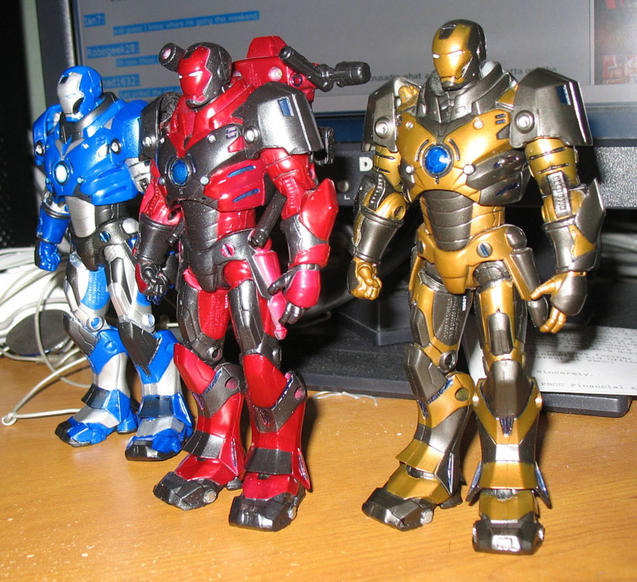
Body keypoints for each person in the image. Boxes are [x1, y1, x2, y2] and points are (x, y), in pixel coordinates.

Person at [349, 20, 604, 554]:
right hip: (431, 256)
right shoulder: (404, 109)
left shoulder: (523, 100)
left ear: (476, 55)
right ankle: (433, 461)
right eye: (439, 61)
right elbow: (383, 189)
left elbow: (564, 190)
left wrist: (573, 271)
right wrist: (364, 255)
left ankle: (508, 474)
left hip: (494, 255)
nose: (446, 71)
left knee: (504, 368)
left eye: (456, 60)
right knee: (424, 363)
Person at [136, 37, 342, 530]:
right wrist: (148, 256)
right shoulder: (171, 119)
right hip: (194, 258)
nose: (192, 87)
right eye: (185, 79)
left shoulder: (259, 107)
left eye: (198, 77)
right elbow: (162, 197)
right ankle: (216, 447)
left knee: (258, 359)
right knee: (194, 356)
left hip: (242, 255)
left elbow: (302, 193)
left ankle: (275, 458)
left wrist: (306, 269)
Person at [33, 66, 192, 460]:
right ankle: (111, 400)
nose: (70, 104)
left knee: (135, 324)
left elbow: (157, 191)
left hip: (120, 237)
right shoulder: (53, 131)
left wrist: (164, 243)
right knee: (83, 323)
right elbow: (55, 197)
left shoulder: (123, 121)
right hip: (81, 244)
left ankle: (165, 408)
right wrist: (47, 239)